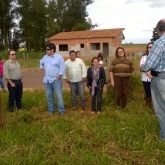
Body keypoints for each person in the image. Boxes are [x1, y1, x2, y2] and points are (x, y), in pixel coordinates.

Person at [141, 19, 165, 141]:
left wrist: (143, 67)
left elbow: (148, 64)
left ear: (158, 30)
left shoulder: (159, 43)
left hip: (161, 78)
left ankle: (164, 137)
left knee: (161, 109)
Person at [40, 43, 65, 115]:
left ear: (52, 50)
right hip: (47, 80)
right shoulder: (45, 57)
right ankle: (50, 110)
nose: (46, 51)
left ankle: (61, 111)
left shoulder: (59, 58)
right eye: (46, 49)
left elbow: (62, 68)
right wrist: (41, 68)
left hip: (56, 80)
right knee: (49, 96)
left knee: (59, 97)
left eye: (47, 49)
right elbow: (41, 63)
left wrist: (59, 76)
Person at [140, 42, 153, 108]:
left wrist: (152, 76)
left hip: (154, 78)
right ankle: (148, 106)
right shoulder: (144, 57)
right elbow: (142, 67)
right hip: (145, 78)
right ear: (147, 49)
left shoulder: (157, 56)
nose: (150, 48)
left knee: (154, 93)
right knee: (147, 91)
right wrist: (148, 74)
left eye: (151, 47)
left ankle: (155, 107)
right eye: (149, 47)